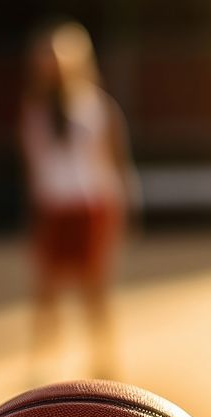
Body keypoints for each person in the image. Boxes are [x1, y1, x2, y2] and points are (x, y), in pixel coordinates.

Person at [20, 20, 136, 381]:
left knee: (93, 287)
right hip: (54, 207)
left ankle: (104, 357)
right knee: (46, 289)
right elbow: (34, 167)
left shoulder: (97, 107)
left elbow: (116, 162)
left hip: (91, 206)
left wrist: (123, 208)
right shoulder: (34, 111)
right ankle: (42, 358)